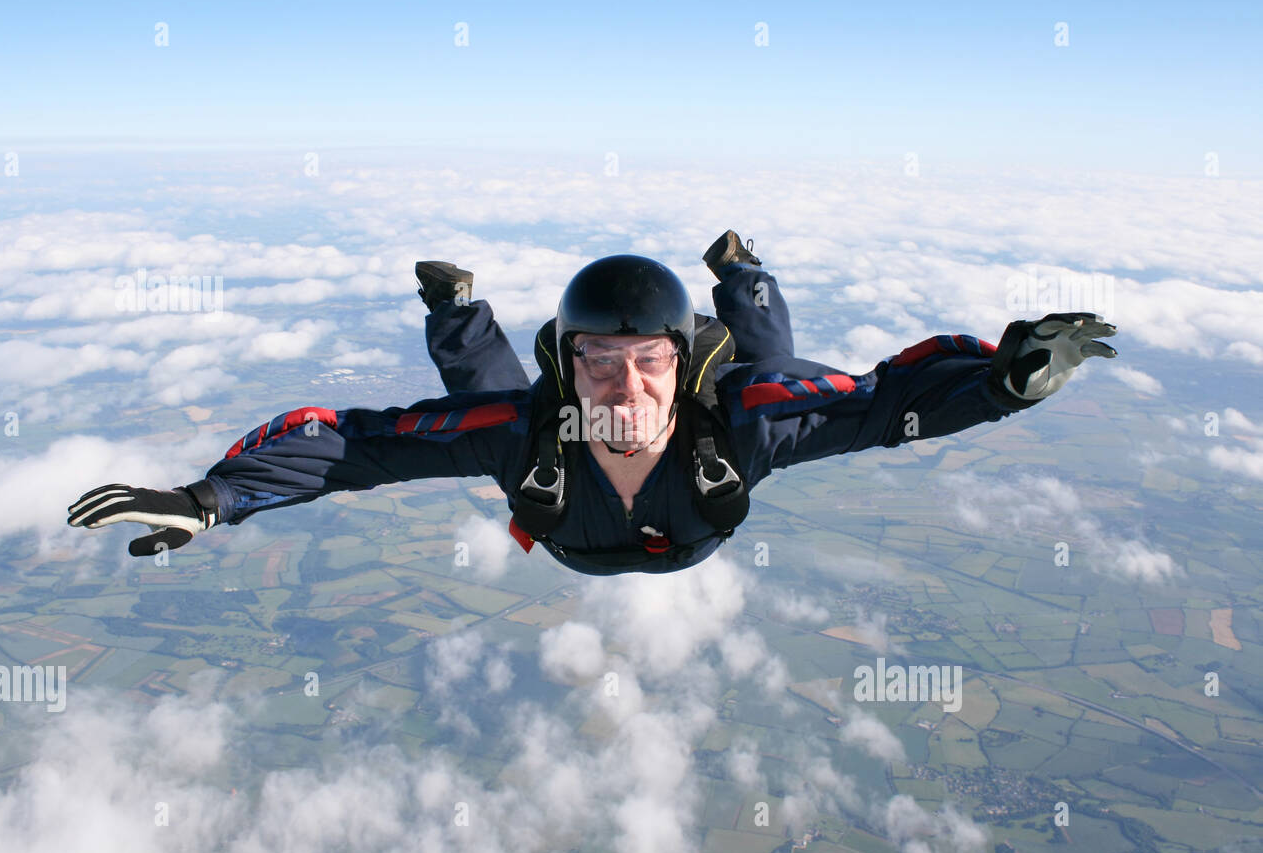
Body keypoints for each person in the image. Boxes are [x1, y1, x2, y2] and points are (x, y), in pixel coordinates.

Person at [67, 231, 1118, 576]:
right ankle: (458, 311)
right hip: (574, 514)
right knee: (493, 410)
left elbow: (885, 400)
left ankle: (739, 274)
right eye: (600, 361)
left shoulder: (741, 414)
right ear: (570, 363)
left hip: (706, 467)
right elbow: (352, 444)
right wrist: (212, 496)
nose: (625, 385)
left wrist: (999, 379)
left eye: (651, 360)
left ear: (680, 359)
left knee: (773, 368)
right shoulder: (536, 423)